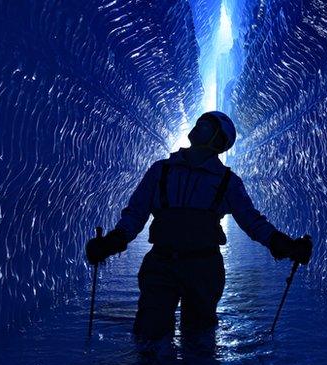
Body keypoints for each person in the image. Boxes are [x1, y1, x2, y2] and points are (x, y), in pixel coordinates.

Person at [85, 111, 312, 340]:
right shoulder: (160, 170)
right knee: (150, 334)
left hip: (203, 268)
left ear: (218, 140)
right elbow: (136, 213)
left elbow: (251, 221)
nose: (199, 125)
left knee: (199, 339)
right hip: (163, 264)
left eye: (207, 125)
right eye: (200, 122)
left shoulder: (227, 181)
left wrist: (282, 243)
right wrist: (114, 241)